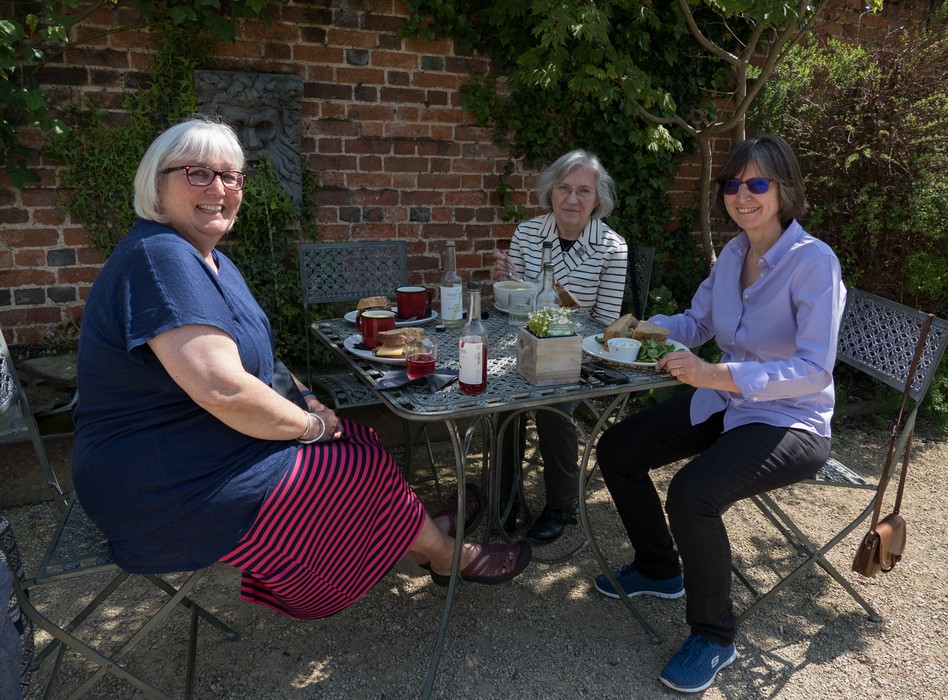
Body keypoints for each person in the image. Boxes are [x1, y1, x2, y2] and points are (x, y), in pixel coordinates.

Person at [71, 117, 531, 623]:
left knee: (358, 442)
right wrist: (310, 427)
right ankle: (448, 554)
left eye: (231, 176)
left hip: (201, 450)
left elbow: (259, 356)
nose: (219, 188)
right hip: (161, 487)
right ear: (157, 183)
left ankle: (425, 536)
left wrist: (306, 398)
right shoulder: (159, 258)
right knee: (350, 469)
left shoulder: (209, 259)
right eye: (197, 173)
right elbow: (222, 389)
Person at [593, 134, 845, 693]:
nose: (743, 194)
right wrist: (650, 326)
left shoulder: (814, 264)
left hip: (790, 420)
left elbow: (814, 370)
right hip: (727, 399)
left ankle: (713, 635)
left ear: (786, 190)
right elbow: (697, 322)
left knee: (692, 494)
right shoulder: (734, 253)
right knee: (618, 449)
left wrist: (716, 375)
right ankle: (660, 569)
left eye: (758, 183)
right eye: (733, 184)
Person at [493, 150, 628, 543]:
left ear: (598, 198)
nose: (572, 199)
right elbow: (508, 308)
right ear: (550, 192)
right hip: (523, 345)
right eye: (564, 188)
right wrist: (504, 283)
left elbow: (605, 325)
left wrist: (559, 323)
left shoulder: (612, 247)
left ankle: (560, 505)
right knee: (502, 401)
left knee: (553, 405)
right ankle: (506, 498)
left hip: (578, 354)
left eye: (583, 190)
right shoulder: (527, 232)